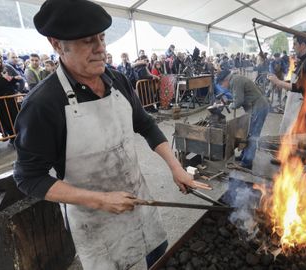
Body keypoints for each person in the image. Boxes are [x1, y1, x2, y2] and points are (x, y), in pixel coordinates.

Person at [13, 1, 210, 269]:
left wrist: (176, 167)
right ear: (57, 44)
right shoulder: (42, 104)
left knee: (160, 253)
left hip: (138, 198)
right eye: (87, 41)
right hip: (93, 217)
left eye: (102, 38)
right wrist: (100, 200)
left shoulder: (118, 80)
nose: (100, 48)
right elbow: (28, 178)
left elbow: (145, 124)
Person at [269, 32, 306, 133]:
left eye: (294, 44)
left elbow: (300, 87)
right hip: (296, 105)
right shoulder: (304, 59)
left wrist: (279, 82)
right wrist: (282, 82)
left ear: (303, 45)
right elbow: (296, 80)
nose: (293, 47)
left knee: (297, 141)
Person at [216, 69, 269, 169]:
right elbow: (240, 97)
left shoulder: (235, 81)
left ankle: (247, 162)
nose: (222, 87)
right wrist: (227, 103)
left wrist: (230, 105)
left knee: (253, 135)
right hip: (255, 107)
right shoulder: (236, 79)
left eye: (221, 84)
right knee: (248, 133)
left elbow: (238, 101)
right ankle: (243, 156)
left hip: (258, 107)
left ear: (226, 80)